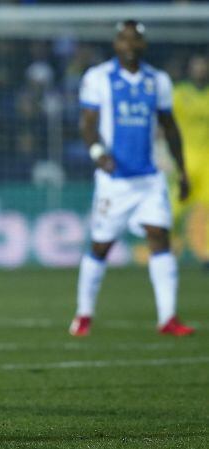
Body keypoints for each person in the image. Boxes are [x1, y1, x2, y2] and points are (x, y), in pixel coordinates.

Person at [69, 20, 194, 337]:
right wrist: (98, 153)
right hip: (115, 180)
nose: (130, 45)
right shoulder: (98, 78)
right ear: (116, 44)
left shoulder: (158, 81)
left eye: (135, 40)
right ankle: (84, 314)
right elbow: (87, 123)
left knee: (159, 236)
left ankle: (168, 318)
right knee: (101, 246)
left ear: (143, 45)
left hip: (150, 178)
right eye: (124, 39)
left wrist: (181, 172)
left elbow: (169, 127)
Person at [172, 55, 209, 267]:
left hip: (208, 161)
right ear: (190, 69)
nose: (200, 71)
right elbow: (165, 125)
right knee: (175, 208)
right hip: (184, 160)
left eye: (203, 67)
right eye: (197, 67)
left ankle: (206, 256)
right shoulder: (179, 94)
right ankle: (169, 248)